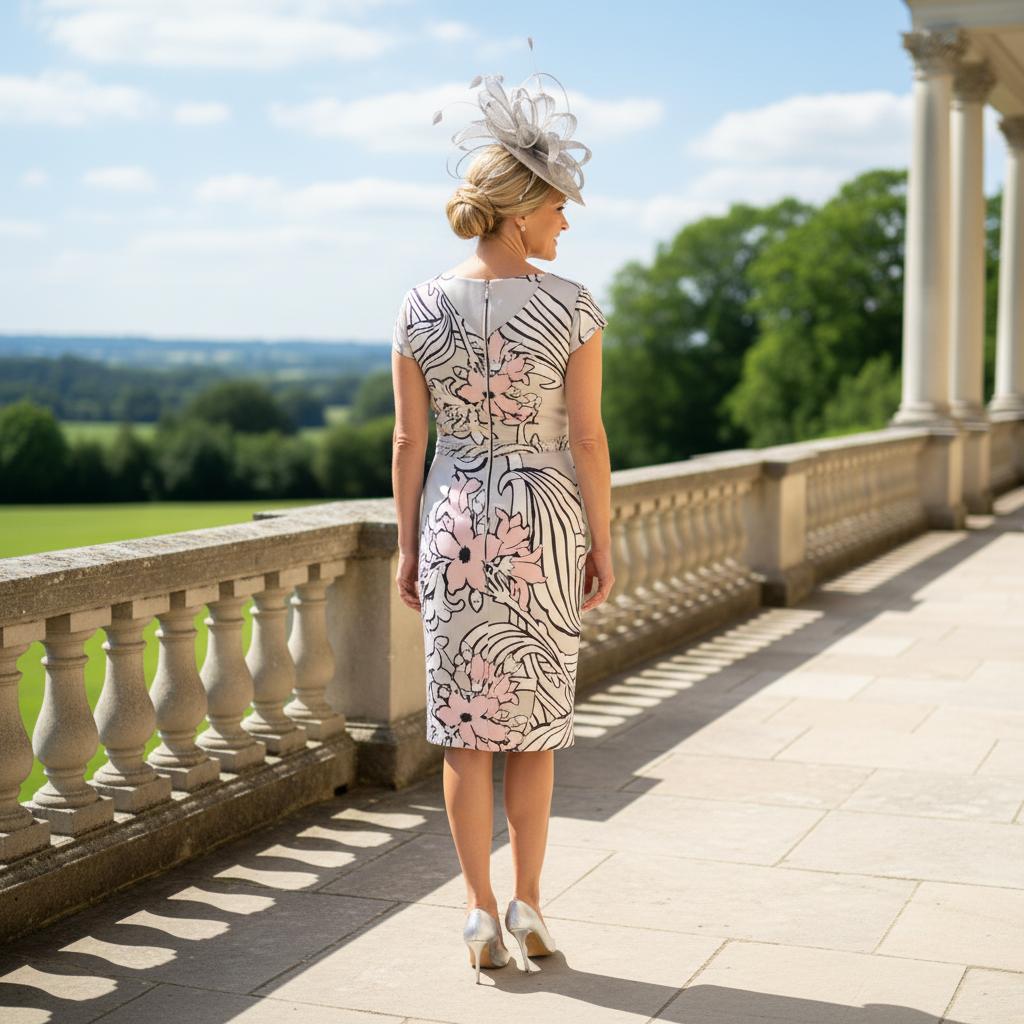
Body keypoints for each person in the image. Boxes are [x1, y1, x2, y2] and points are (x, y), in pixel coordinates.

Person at [390, 52, 614, 983]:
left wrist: (408, 546)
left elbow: (410, 441)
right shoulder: (573, 307)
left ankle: (478, 912)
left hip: (452, 528)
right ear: (522, 212)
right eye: (558, 205)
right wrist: (603, 541)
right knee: (535, 727)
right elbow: (588, 439)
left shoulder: (418, 305)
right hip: (541, 525)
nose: (566, 221)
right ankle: (526, 901)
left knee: (466, 726)